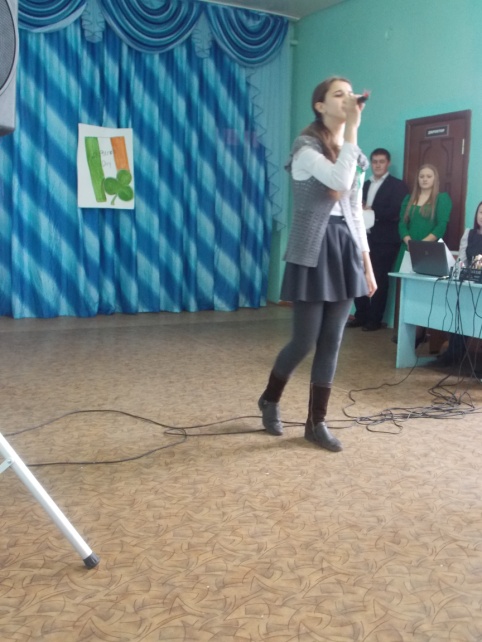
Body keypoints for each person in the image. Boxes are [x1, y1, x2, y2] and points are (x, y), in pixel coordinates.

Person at [257, 76, 377, 452]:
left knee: (332, 341)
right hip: (312, 248)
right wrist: (354, 128)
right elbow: (338, 181)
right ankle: (270, 399)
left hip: (344, 248)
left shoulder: (352, 152)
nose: (347, 99)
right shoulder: (305, 147)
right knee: (304, 341)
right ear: (320, 106)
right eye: (338, 95)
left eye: (350, 94)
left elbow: (353, 211)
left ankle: (316, 422)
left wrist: (367, 263)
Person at [347, 148, 408, 331]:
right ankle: (361, 315)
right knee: (358, 275)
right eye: (374, 162)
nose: (378, 165)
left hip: (385, 240)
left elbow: (397, 211)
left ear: (388, 163)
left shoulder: (397, 185)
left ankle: (374, 320)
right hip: (363, 237)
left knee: (379, 279)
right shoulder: (365, 184)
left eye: (381, 161)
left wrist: (372, 210)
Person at [437, 201, 482, 366]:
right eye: (481, 212)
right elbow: (462, 261)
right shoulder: (469, 233)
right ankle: (454, 352)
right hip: (469, 284)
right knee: (458, 308)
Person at [394, 164, 452, 271]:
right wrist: (409, 242)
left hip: (429, 249)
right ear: (417, 179)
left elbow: (441, 226)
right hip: (407, 247)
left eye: (429, 176)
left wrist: (420, 245)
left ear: (435, 179)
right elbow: (402, 224)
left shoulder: (442, 199)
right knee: (402, 279)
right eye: (421, 176)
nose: (425, 179)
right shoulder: (408, 199)